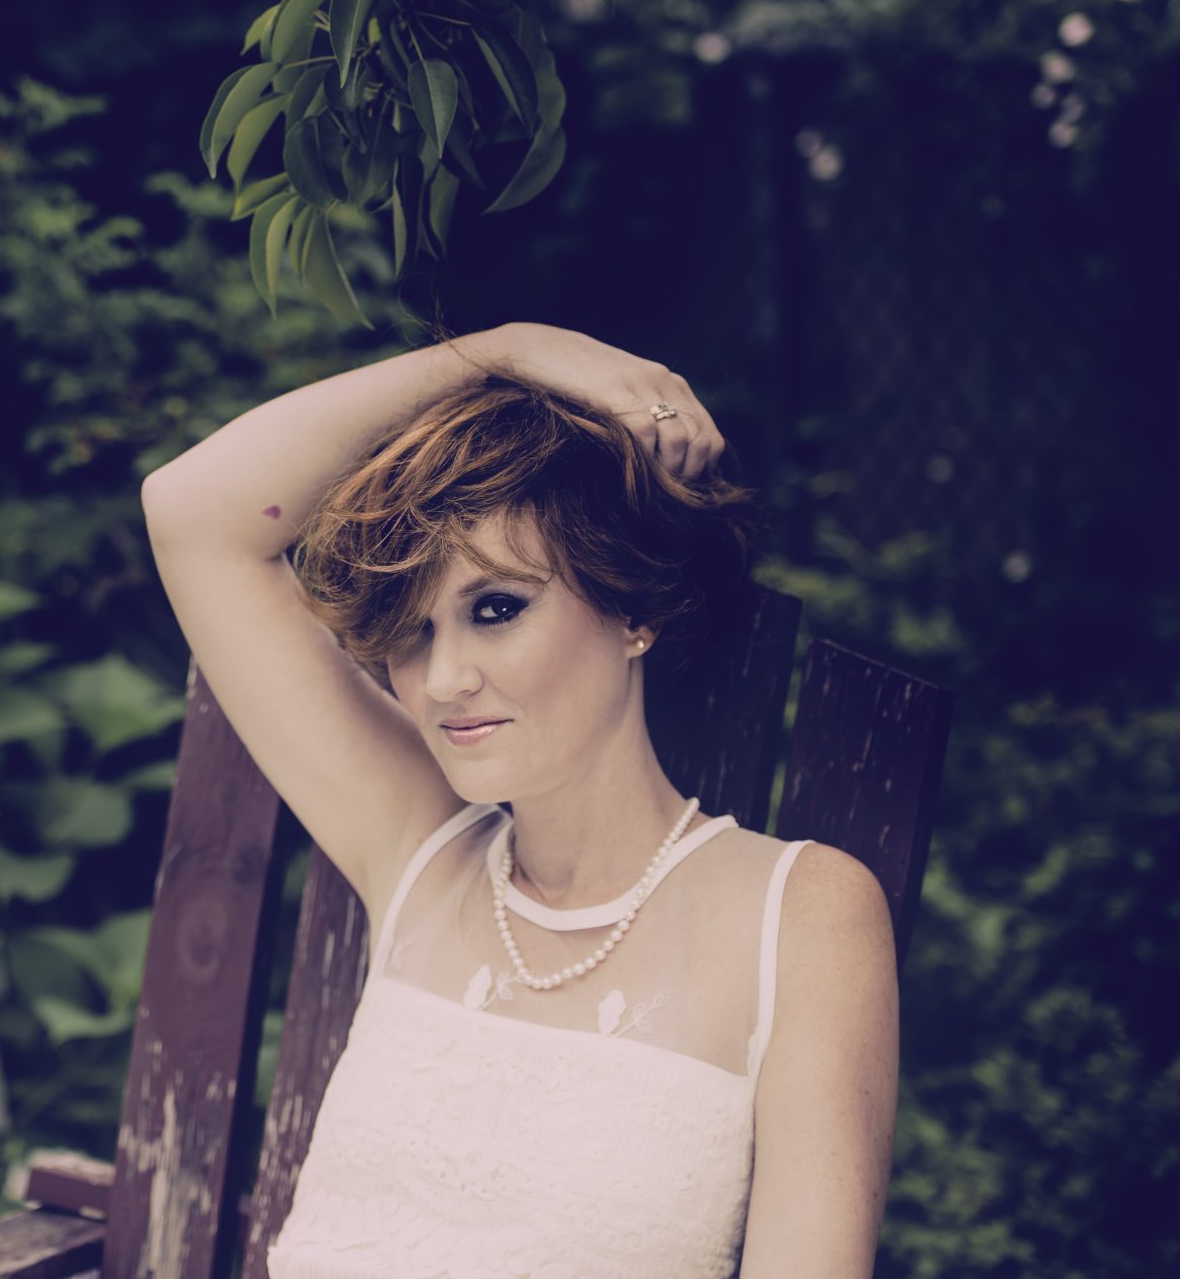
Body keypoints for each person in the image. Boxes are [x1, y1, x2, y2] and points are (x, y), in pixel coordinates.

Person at [139, 321, 899, 1278]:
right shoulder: (420, 849)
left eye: (496, 609)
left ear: (634, 609)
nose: (443, 679)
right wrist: (517, 350)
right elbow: (192, 514)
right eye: (413, 633)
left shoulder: (801, 919)